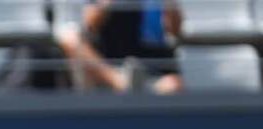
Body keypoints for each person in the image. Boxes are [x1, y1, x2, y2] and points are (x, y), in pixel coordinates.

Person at [56, 0, 184, 94]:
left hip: (152, 71)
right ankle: (122, 84)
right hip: (112, 67)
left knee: (173, 86)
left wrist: (169, 4)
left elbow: (175, 30)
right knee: (71, 38)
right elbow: (91, 24)